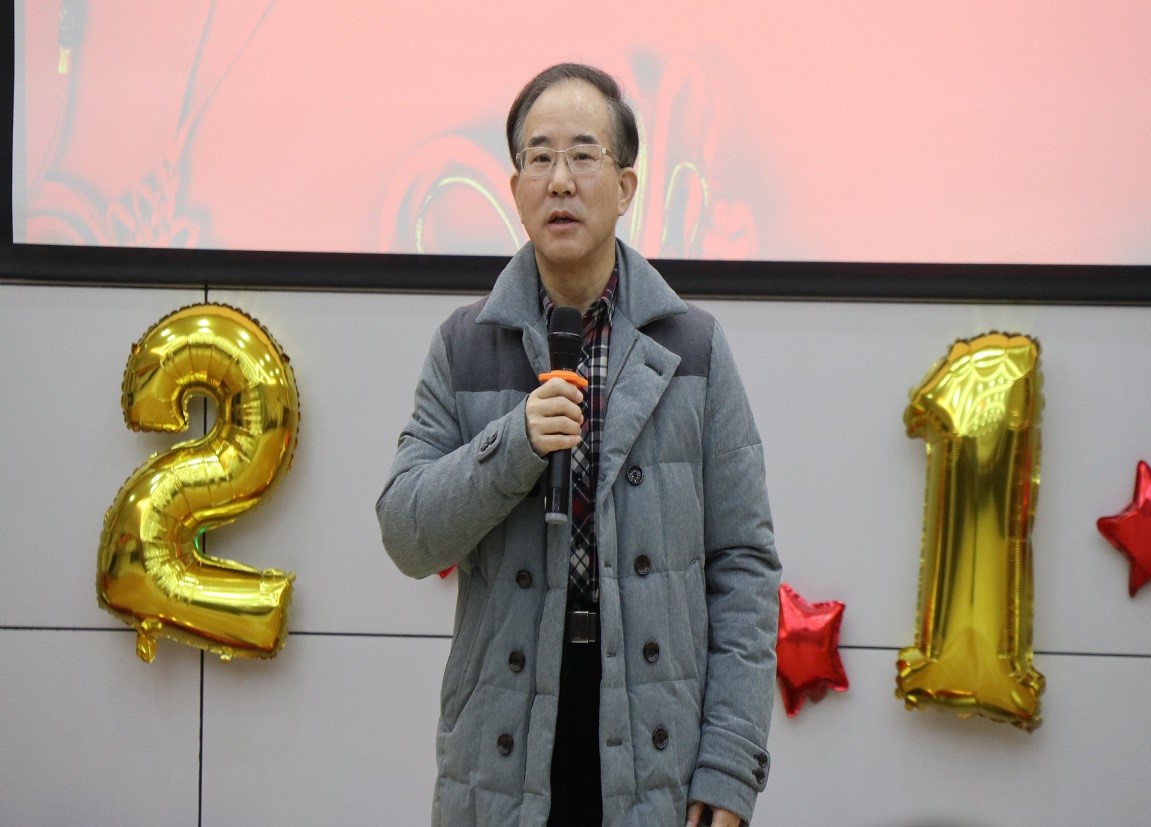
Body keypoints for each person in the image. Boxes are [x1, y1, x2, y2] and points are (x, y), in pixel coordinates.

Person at [376, 63, 781, 826]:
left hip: (654, 738)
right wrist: (514, 443)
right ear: (514, 187)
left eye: (583, 155)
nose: (559, 180)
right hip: (504, 742)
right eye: (539, 157)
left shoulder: (693, 348)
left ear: (625, 187)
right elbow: (405, 532)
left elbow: (743, 567)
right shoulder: (465, 345)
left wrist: (730, 766)